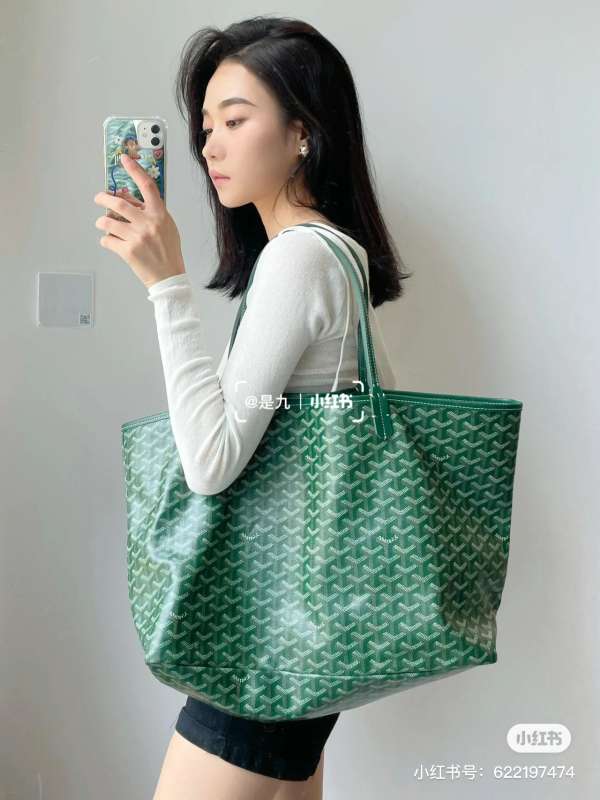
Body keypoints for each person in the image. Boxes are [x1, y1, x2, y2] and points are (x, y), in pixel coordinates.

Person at [148, 14, 412, 800]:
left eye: (235, 120)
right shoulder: (331, 252)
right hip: (305, 621)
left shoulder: (299, 257)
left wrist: (165, 284)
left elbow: (211, 460)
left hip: (265, 633)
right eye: (206, 127)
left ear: (303, 133)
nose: (210, 147)